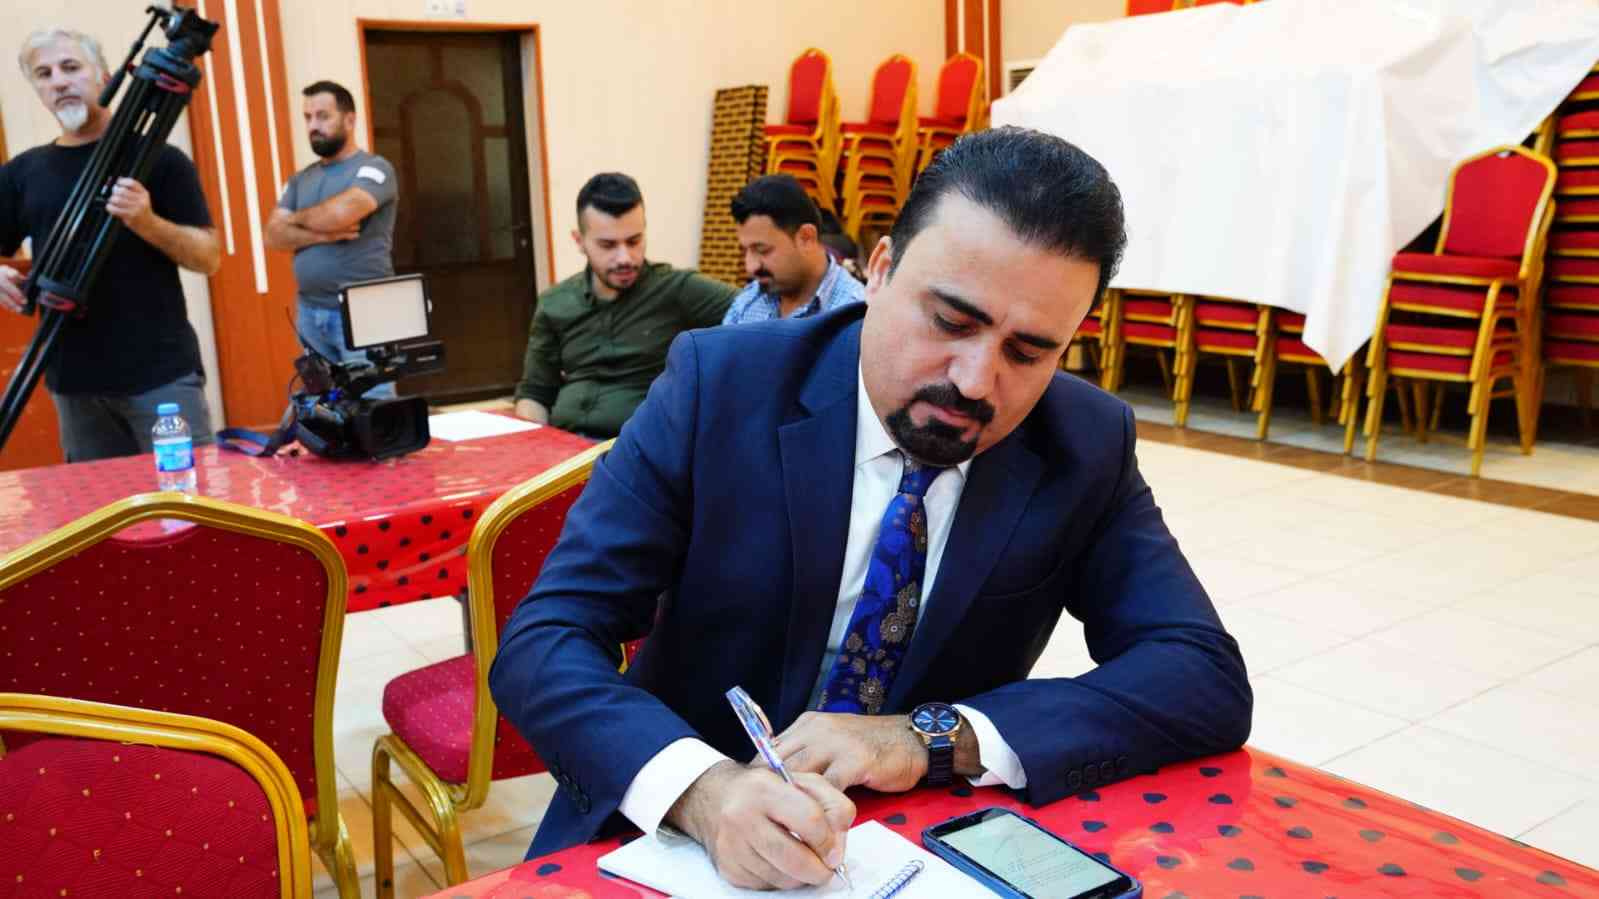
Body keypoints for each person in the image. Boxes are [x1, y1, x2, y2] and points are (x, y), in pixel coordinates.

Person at [489, 127, 1252, 889]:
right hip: (669, 837)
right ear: (877, 270)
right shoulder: (719, 386)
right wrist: (703, 791)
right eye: (949, 321)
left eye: (1027, 352)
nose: (975, 380)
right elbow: (546, 636)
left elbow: (1200, 675)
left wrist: (928, 738)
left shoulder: (1081, 440)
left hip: (917, 850)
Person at [0, 28, 220, 463]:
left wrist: (146, 221)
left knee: (189, 497)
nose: (59, 82)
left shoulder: (161, 160)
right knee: (95, 503)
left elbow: (208, 257)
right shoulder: (22, 174)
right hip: (74, 383)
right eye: (44, 74)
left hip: (161, 378)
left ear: (104, 75)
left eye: (71, 67)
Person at [513, 173, 736, 437]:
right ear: (579, 241)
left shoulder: (678, 290)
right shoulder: (555, 303)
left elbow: (756, 312)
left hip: (638, 448)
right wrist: (535, 443)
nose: (625, 258)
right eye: (608, 245)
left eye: (634, 241)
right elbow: (535, 393)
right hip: (567, 445)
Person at [265, 80, 398, 398]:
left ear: (349, 120)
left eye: (323, 116)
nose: (313, 126)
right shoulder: (301, 179)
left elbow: (341, 214)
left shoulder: (375, 169)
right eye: (307, 117)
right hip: (310, 311)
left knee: (372, 406)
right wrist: (325, 234)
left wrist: (294, 220)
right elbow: (273, 236)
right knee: (324, 407)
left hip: (364, 310)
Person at [722, 174, 863, 325]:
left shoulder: (855, 316)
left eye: (762, 250)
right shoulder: (749, 300)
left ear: (806, 238)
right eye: (746, 251)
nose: (750, 267)